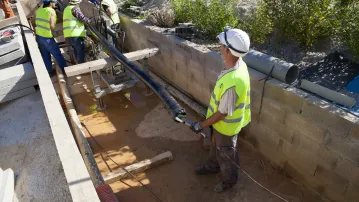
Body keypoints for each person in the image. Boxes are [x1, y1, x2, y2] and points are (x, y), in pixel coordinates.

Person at [190, 27, 251, 193]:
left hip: (226, 127)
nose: (219, 47)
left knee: (226, 154)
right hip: (221, 127)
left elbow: (222, 113)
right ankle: (212, 165)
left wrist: (202, 125)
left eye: (222, 45)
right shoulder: (239, 64)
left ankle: (228, 181)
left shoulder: (233, 81)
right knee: (216, 146)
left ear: (229, 50)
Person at [35, 0, 67, 75]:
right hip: (47, 38)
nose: (54, 4)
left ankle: (49, 71)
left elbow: (37, 22)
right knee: (57, 54)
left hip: (39, 36)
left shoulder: (39, 9)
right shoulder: (51, 11)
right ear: (50, 3)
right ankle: (65, 70)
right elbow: (52, 26)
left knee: (45, 54)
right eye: (53, 2)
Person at [63, 0, 90, 64]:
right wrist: (89, 21)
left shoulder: (66, 8)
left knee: (75, 51)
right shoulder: (75, 8)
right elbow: (82, 18)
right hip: (75, 34)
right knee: (80, 51)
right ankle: (82, 67)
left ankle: (78, 64)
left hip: (67, 34)